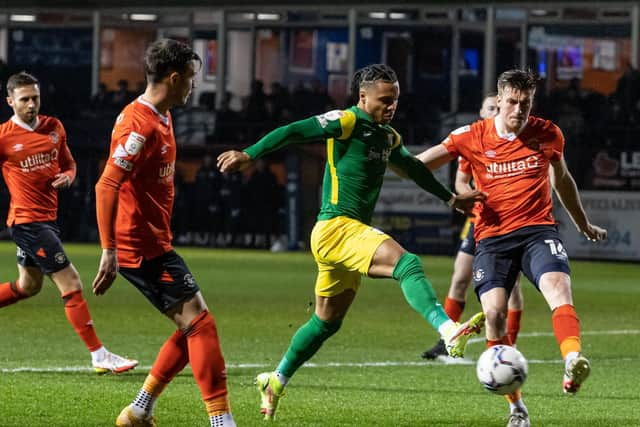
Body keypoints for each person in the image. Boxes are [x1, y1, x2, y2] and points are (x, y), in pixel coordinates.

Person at [217, 63, 487, 421]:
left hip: (345, 236)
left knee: (327, 321)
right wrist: (249, 154)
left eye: (395, 100)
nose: (390, 106)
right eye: (384, 100)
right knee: (408, 264)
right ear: (363, 96)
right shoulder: (346, 120)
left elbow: (413, 168)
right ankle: (449, 330)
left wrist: (452, 199)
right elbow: (295, 130)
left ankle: (275, 379)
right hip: (335, 227)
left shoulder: (388, 136)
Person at [417, 69, 607, 427]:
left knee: (558, 287)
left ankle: (572, 360)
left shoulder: (547, 133)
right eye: (513, 102)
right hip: (492, 239)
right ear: (499, 100)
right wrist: (448, 197)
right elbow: (418, 165)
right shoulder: (471, 136)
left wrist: (583, 224)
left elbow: (563, 181)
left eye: (526, 103)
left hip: (537, 231)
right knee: (494, 315)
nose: (519, 110)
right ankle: (516, 408)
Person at [92, 39, 236, 427]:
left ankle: (139, 411)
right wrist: (109, 250)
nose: (193, 86)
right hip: (140, 246)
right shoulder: (139, 125)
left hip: (154, 240)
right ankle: (222, 422)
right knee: (200, 325)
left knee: (192, 326)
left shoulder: (162, 114)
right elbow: (106, 185)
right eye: (190, 78)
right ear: (173, 78)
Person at [0, 71, 137, 374]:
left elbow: (70, 164)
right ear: (10, 101)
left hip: (48, 219)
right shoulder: (4, 137)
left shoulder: (54, 128)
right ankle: (99, 355)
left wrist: (69, 177)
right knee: (71, 281)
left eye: (35, 98)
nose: (31, 104)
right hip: (27, 223)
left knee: (28, 285)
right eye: (24, 100)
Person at [421, 94, 525, 360]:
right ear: (481, 111)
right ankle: (447, 338)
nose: (493, 112)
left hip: (510, 224)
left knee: (511, 287)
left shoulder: (516, 141)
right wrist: (467, 194)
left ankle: (508, 345)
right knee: (459, 279)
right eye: (489, 107)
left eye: (496, 107)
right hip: (479, 221)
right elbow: (461, 181)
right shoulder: (472, 143)